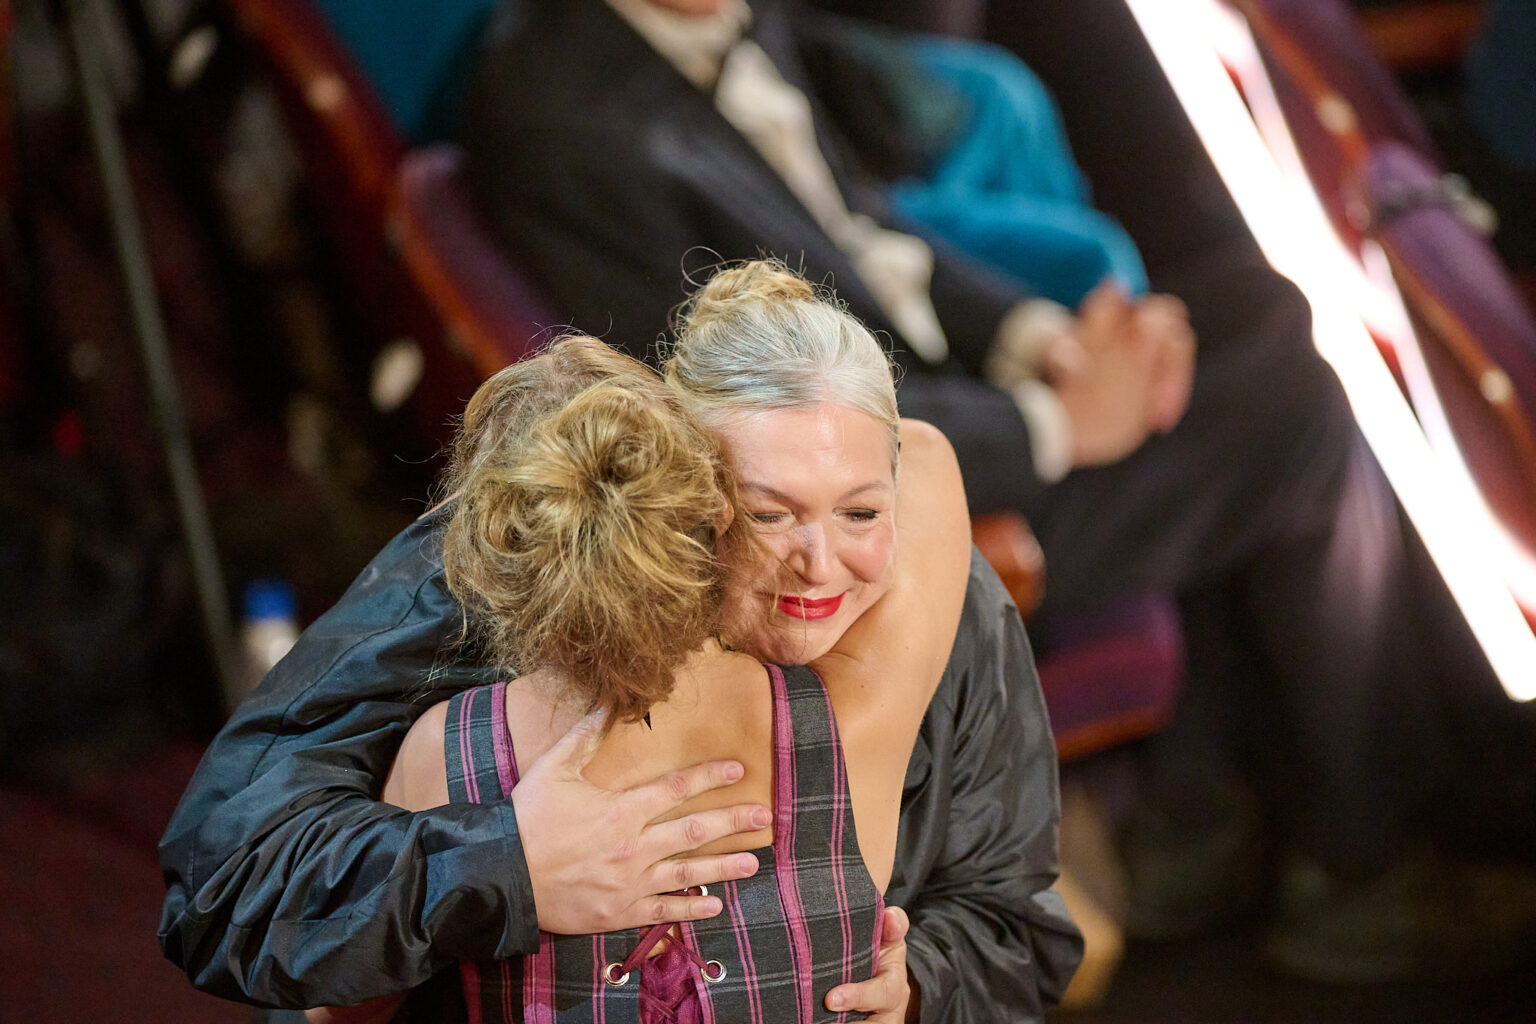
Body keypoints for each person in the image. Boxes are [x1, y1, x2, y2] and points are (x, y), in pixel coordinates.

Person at [445, 0, 1536, 980]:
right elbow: (737, 440)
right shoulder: (562, 113)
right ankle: (1358, 862)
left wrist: (1046, 339)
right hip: (872, 532)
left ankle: (1206, 828)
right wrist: (1057, 423)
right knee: (1298, 408)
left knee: (1248, 318)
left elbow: (865, 231)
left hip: (927, 406)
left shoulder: (705, 20)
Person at [159, 263, 1081, 1021]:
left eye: (861, 510)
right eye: (766, 513)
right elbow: (223, 893)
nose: (819, 565)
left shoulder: (942, 603)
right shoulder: (493, 582)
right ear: (681, 485)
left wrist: (924, 985)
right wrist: (504, 865)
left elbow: (1021, 926)